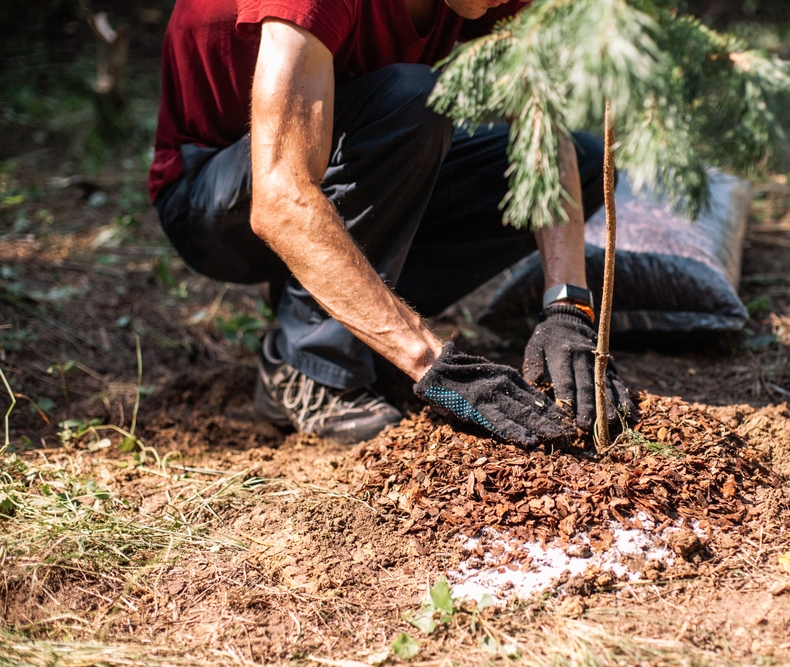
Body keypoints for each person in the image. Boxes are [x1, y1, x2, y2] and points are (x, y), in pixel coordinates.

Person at [149, 0, 634, 448]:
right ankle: (308, 366)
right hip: (210, 195)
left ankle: (349, 317)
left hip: (343, 158)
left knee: (584, 162)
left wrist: (568, 307)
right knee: (416, 100)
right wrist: (431, 363)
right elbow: (279, 197)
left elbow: (539, 127)